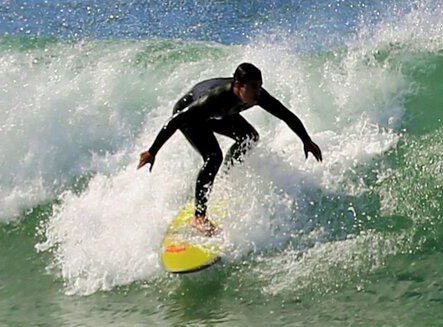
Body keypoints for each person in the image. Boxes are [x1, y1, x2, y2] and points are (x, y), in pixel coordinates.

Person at [137, 62, 323, 235]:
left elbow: (285, 114)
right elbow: (176, 120)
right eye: (253, 87)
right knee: (213, 156)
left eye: (260, 85)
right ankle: (199, 217)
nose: (258, 91)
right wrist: (152, 151)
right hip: (190, 115)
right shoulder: (215, 98)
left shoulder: (257, 96)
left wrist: (306, 140)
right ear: (238, 85)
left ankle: (224, 177)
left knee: (248, 137)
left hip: (219, 114)